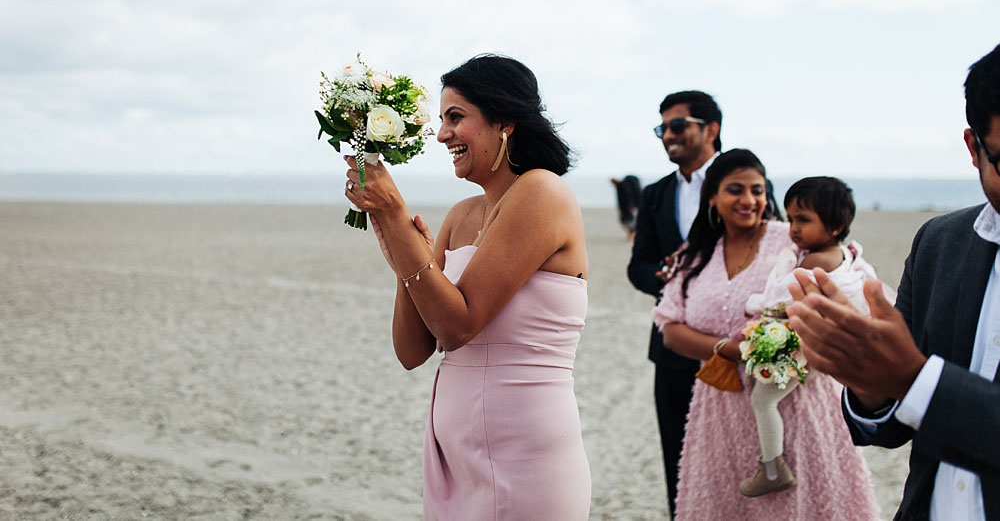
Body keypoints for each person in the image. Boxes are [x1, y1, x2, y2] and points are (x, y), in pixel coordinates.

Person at [342, 54, 591, 520]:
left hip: (524, 454)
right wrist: (403, 250)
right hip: (455, 458)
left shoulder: (542, 192)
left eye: (456, 118)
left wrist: (396, 213)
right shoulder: (460, 216)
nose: (441, 134)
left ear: (504, 122)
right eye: (440, 120)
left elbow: (459, 325)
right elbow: (413, 350)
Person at [787, 43, 1000, 521]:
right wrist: (867, 380)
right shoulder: (941, 242)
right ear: (973, 148)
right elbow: (889, 426)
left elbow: (919, 383)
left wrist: (913, 378)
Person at [651, 149, 880, 520]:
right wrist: (728, 349)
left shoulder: (792, 242)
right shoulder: (693, 256)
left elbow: (846, 275)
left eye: (757, 190)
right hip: (718, 407)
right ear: (713, 196)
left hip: (797, 399)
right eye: (735, 190)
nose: (749, 200)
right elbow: (671, 330)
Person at [627, 90, 779, 515]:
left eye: (677, 126)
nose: (667, 136)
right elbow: (637, 266)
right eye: (662, 129)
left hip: (747, 351)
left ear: (711, 129)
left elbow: (778, 256)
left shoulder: (748, 182)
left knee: (751, 459)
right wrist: (669, 278)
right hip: (675, 353)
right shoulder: (656, 194)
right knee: (680, 465)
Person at [738, 177, 882, 498]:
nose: (794, 229)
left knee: (763, 400)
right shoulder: (847, 254)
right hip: (825, 340)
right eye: (790, 219)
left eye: (803, 220)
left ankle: (772, 468)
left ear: (835, 226)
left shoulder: (816, 261)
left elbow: (779, 299)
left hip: (809, 345)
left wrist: (754, 305)